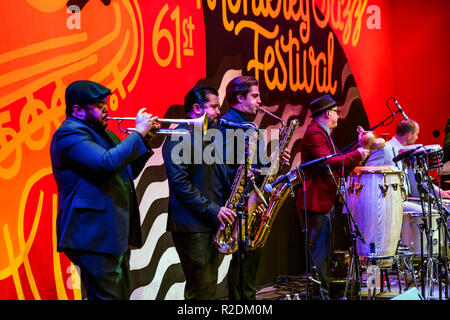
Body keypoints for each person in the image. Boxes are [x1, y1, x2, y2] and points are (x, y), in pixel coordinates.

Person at [50, 80, 156, 300]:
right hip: (92, 234)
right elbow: (105, 163)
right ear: (78, 110)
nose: (106, 108)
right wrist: (137, 134)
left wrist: (143, 141)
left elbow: (124, 171)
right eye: (98, 105)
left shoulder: (104, 134)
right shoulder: (69, 134)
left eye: (105, 103)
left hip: (111, 232)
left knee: (119, 296)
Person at [219, 75, 290, 300]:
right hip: (241, 206)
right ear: (239, 97)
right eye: (255, 96)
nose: (260, 101)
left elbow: (256, 168)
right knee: (244, 268)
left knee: (247, 268)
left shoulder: (248, 127)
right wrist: (252, 198)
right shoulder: (230, 126)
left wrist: (275, 164)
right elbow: (231, 171)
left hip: (251, 202)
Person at [162, 86, 236, 300]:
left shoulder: (208, 137)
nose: (218, 112)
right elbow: (181, 185)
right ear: (196, 108)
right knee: (201, 290)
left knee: (208, 288)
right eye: (213, 107)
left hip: (209, 223)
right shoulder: (178, 136)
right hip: (193, 226)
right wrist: (215, 210)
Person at [295, 94, 370, 298]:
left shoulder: (322, 133)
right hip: (316, 202)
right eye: (336, 112)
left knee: (324, 253)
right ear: (328, 113)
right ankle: (319, 295)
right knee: (320, 254)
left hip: (325, 201)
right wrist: (358, 154)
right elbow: (329, 162)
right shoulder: (315, 133)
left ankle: (321, 293)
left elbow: (339, 160)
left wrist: (358, 146)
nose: (338, 116)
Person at [366, 119, 450, 206]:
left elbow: (419, 181)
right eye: (416, 134)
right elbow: (368, 172)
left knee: (437, 208)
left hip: (408, 201)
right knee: (431, 212)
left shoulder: (409, 153)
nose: (417, 138)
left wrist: (440, 192)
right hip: (389, 203)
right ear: (409, 135)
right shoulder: (385, 148)